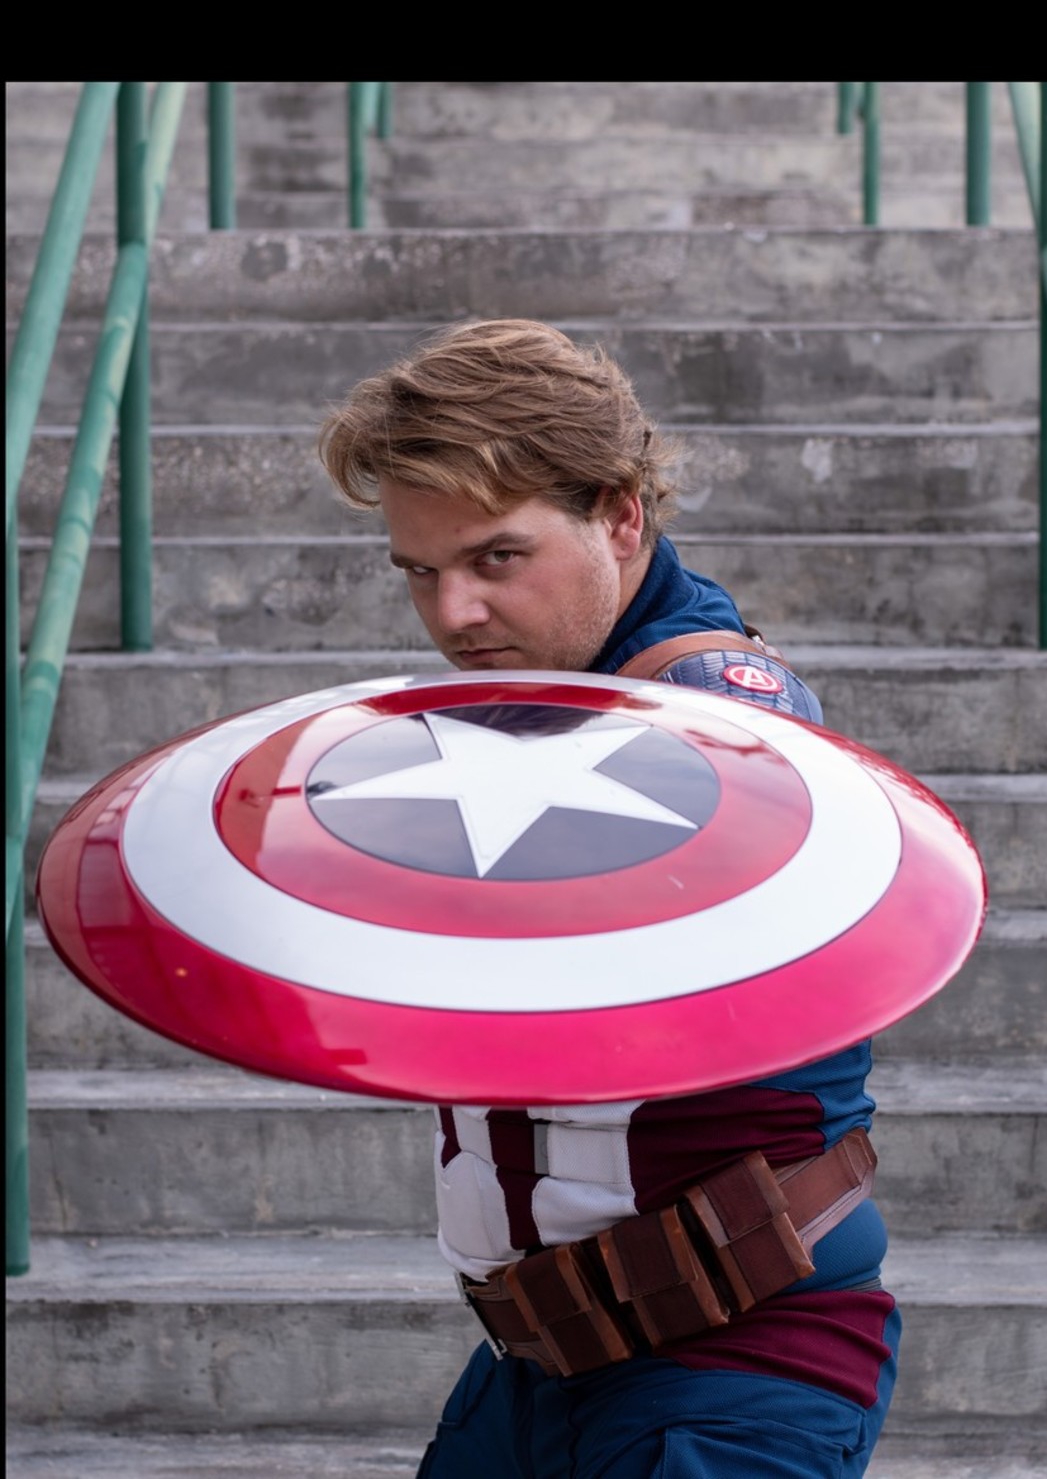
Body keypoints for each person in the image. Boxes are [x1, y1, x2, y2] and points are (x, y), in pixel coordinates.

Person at [317, 318, 900, 1479]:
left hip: (729, 1365)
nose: (452, 613)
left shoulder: (718, 712)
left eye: (496, 557)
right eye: (420, 571)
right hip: (543, 1363)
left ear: (621, 516)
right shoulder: (542, 702)